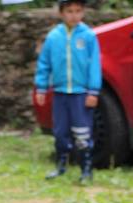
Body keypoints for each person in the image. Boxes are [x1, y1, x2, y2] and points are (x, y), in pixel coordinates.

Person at [34, 0, 101, 183]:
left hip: (81, 94)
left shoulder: (88, 36)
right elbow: (44, 64)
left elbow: (94, 65)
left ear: (83, 12)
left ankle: (86, 169)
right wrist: (41, 87)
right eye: (69, 11)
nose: (74, 15)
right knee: (60, 132)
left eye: (78, 11)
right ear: (61, 13)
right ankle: (61, 166)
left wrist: (93, 91)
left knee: (82, 133)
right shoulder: (54, 37)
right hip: (60, 93)